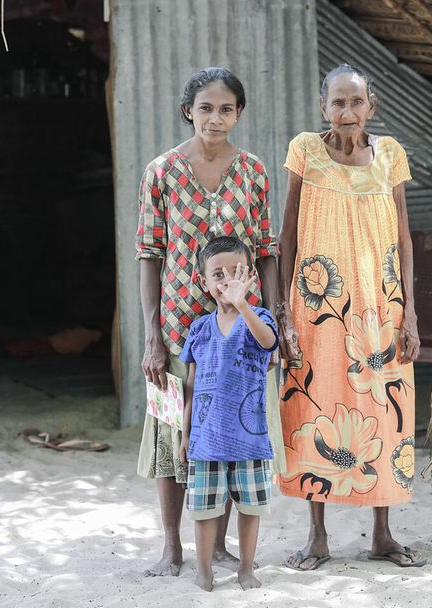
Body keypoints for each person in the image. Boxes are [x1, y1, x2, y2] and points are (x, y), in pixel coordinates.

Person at [135, 67, 283, 577]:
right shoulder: (161, 172)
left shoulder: (254, 172)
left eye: (226, 109)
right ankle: (173, 548)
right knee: (171, 432)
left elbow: (266, 250)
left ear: (238, 113)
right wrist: (153, 337)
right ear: (188, 111)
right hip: (178, 325)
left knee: (224, 430)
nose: (215, 118)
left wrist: (275, 315)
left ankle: (217, 548)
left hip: (240, 333)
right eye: (205, 108)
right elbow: (149, 254)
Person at [277, 64, 424, 569]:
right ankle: (316, 536)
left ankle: (382, 533)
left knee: (385, 412)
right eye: (337, 103)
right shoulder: (305, 150)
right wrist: (283, 312)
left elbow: (403, 239)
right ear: (323, 108)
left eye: (355, 102)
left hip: (382, 308)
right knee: (315, 410)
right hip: (316, 308)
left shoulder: (391, 156)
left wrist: (411, 316)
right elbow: (288, 235)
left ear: (371, 106)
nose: (346, 113)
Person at [180, 237, 278, 591]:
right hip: (205, 440)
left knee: (250, 509)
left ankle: (246, 569)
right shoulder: (199, 329)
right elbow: (190, 387)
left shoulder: (260, 318)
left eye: (235, 273)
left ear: (250, 275)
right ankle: (204, 570)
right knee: (205, 512)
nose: (226, 282)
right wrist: (185, 435)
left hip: (249, 441)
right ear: (203, 282)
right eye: (217, 274)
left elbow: (267, 343)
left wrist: (243, 305)